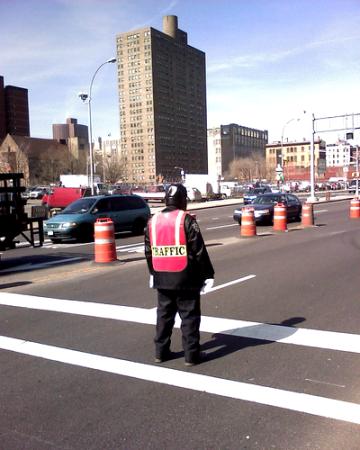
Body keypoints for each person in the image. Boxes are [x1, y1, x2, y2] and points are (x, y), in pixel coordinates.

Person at [144, 183, 215, 366]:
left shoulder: (153, 221)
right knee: (189, 317)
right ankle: (191, 356)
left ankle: (161, 352)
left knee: (164, 317)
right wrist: (207, 274)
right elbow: (198, 250)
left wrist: (153, 273)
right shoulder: (186, 220)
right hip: (185, 278)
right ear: (183, 200)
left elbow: (148, 251)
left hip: (162, 277)